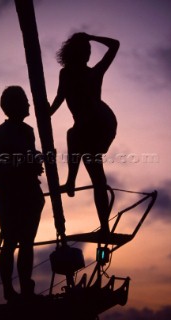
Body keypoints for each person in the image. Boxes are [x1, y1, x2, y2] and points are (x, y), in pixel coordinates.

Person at [50, 33, 119, 235]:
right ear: (75, 53)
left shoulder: (95, 73)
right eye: (85, 51)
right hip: (84, 128)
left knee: (93, 169)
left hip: (101, 124)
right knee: (75, 136)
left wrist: (90, 37)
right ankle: (71, 182)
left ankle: (104, 226)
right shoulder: (66, 74)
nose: (89, 55)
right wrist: (47, 114)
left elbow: (115, 44)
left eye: (90, 51)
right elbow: (60, 97)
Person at [0, 86, 45, 302]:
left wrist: (37, 159)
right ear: (15, 106)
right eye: (25, 100)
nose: (29, 104)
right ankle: (10, 291)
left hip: (30, 194)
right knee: (11, 243)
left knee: (26, 243)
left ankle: (26, 289)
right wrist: (24, 165)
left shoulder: (27, 131)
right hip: (12, 195)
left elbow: (27, 156)